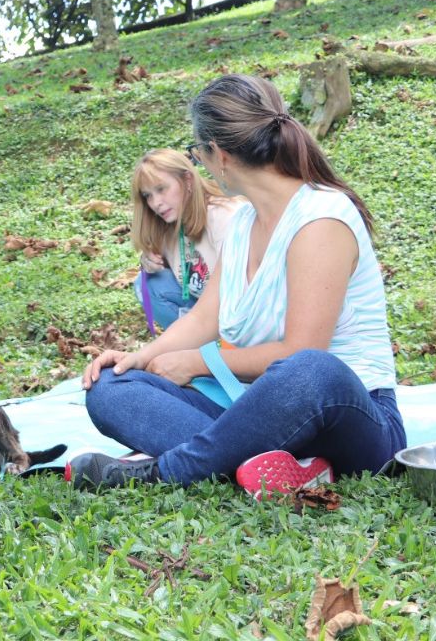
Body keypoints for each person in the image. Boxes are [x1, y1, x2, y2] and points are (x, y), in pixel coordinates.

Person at [68, 74, 405, 498]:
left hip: (348, 415)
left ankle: (168, 471)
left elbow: (302, 351)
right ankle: (274, 466)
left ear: (220, 155)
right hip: (256, 411)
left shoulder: (321, 219)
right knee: (108, 387)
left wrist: (200, 362)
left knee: (310, 369)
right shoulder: (244, 222)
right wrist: (139, 358)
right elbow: (204, 318)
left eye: (197, 153)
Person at [130, 148, 240, 334]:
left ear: (188, 180)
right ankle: (193, 345)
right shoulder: (166, 225)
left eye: (161, 189)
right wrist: (150, 263)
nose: (155, 203)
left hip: (241, 313)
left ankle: (208, 346)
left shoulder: (224, 216)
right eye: (148, 195)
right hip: (206, 311)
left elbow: (242, 292)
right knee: (148, 284)